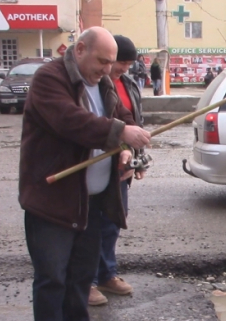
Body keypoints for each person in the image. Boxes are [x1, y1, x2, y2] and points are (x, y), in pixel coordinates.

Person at [19, 27, 151, 321]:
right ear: (79, 50)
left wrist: (124, 149)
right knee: (52, 274)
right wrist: (119, 133)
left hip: (91, 199)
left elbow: (120, 116)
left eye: (112, 63)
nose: (108, 69)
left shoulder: (103, 82)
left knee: (81, 273)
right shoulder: (50, 78)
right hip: (54, 199)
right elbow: (69, 121)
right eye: (103, 61)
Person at [89, 34, 147, 306]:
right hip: (93, 163)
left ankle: (106, 274)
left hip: (120, 165)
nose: (124, 68)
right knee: (89, 226)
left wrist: (137, 157)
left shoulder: (127, 84)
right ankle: (86, 281)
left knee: (113, 222)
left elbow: (133, 122)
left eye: (127, 63)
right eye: (121, 62)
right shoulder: (92, 84)